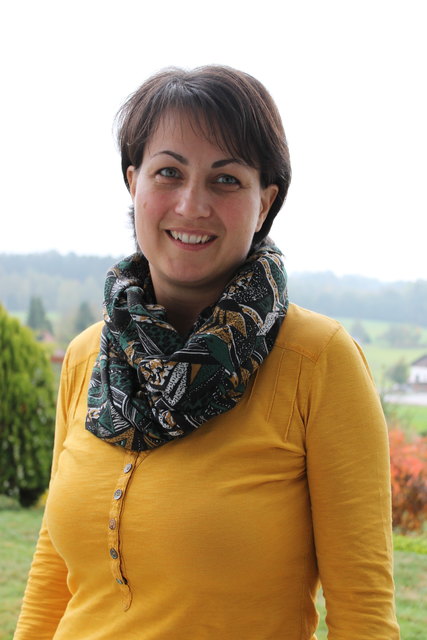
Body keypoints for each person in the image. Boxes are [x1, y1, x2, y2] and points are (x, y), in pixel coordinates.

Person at [14, 66, 400, 639]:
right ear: (133, 184)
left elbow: (364, 615)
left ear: (264, 203)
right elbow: (53, 572)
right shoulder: (88, 355)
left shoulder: (318, 361)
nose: (192, 204)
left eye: (226, 180)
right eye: (168, 172)